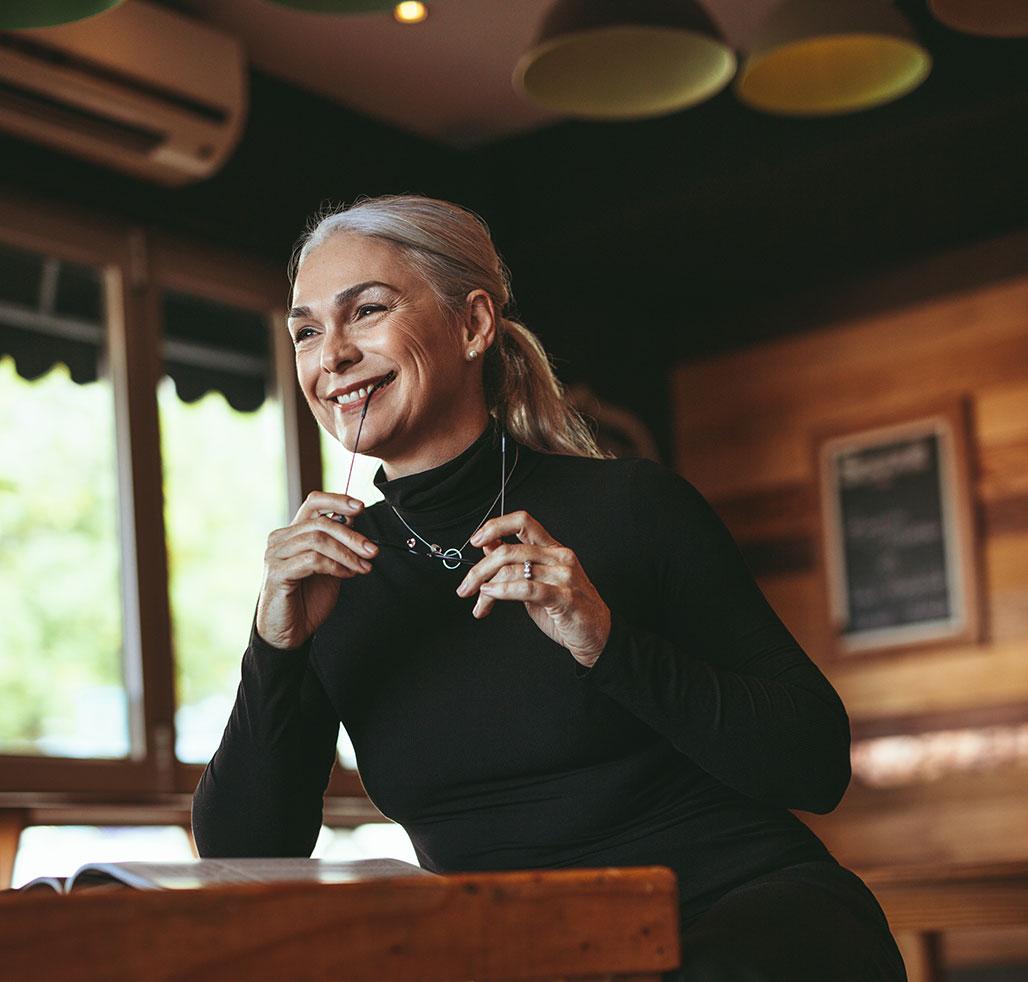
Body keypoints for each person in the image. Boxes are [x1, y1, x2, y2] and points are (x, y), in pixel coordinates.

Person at [191, 194, 906, 981]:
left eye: (366, 311)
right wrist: (276, 647)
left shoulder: (635, 507)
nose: (331, 356)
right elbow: (240, 858)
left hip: (738, 925)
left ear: (472, 325)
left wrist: (605, 641)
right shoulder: (329, 585)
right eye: (305, 331)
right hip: (523, 955)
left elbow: (815, 764)